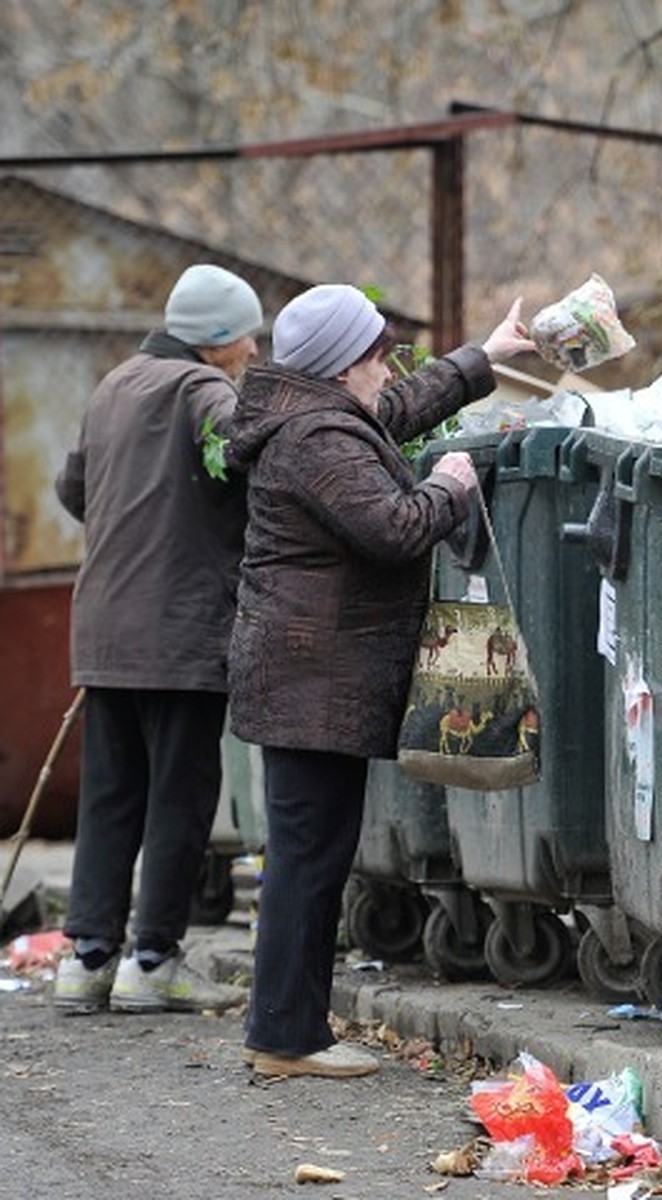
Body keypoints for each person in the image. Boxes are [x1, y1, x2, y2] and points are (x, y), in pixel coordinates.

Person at [229, 284, 535, 1078]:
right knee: (307, 859)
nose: (387, 366)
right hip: (310, 680)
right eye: (375, 354)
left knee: (313, 856)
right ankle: (285, 1039)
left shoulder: (321, 419)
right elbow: (394, 529)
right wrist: (451, 485)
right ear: (341, 366)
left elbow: (394, 409)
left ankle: (288, 1031)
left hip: (306, 677)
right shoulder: (317, 439)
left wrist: (485, 355)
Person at [52, 264, 263, 1015]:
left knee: (110, 795)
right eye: (245, 334)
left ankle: (87, 960)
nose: (251, 348)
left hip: (105, 626)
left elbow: (72, 490)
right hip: (178, 631)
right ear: (215, 338)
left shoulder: (115, 384)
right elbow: (250, 462)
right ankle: (154, 960)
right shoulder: (203, 390)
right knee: (179, 795)